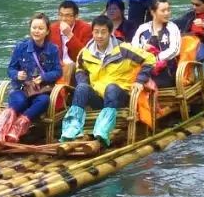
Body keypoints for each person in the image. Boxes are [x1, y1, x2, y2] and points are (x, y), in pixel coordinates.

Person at [59, 16, 151, 147]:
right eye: (96, 32)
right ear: (92, 32)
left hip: (119, 96)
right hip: (99, 98)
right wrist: (84, 82)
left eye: (103, 32)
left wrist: (140, 80)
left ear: (110, 32)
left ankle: (102, 131)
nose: (99, 35)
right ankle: (70, 131)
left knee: (111, 88)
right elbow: (80, 69)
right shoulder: (85, 53)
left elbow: (149, 59)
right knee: (81, 88)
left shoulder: (124, 49)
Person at [0, 13, 63, 144]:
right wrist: (17, 75)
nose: (37, 31)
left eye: (40, 28)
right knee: (19, 102)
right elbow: (10, 69)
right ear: (30, 29)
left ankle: (17, 129)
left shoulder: (53, 49)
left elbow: (58, 72)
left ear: (47, 31)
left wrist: (44, 77)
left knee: (44, 100)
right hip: (21, 88)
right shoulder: (20, 47)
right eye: (34, 27)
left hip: (40, 90)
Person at [131, 0, 182, 87]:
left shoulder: (172, 27)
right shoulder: (143, 28)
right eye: (163, 11)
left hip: (166, 69)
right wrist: (143, 48)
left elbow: (174, 50)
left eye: (168, 10)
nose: (167, 13)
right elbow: (134, 46)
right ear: (153, 12)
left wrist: (155, 59)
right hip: (143, 66)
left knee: (144, 81)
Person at [49, 0, 92, 68]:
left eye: (67, 16)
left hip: (77, 66)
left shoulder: (87, 29)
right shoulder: (52, 29)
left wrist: (69, 35)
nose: (63, 19)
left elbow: (84, 56)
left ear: (76, 16)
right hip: (57, 66)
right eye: (61, 15)